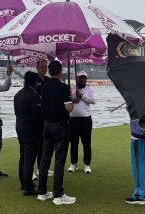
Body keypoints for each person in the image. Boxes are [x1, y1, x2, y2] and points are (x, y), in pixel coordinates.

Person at [37, 60, 76, 205]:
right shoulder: (64, 87)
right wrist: (72, 99)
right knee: (59, 160)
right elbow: (69, 108)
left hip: (47, 125)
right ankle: (58, 195)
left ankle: (42, 192)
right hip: (60, 125)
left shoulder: (44, 86)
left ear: (49, 71)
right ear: (60, 71)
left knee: (45, 159)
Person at [14, 71, 42, 196]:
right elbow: (37, 116)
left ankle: (23, 182)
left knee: (23, 155)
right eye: (37, 81)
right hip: (31, 129)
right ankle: (28, 187)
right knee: (29, 158)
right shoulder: (34, 95)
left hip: (20, 126)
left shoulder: (18, 94)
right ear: (34, 82)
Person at [68, 71, 97, 174]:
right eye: (80, 78)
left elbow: (94, 100)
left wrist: (82, 96)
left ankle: (87, 164)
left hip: (86, 119)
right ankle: (73, 163)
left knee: (86, 143)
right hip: (73, 119)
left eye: (84, 78)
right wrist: (73, 98)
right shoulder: (71, 88)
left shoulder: (90, 89)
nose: (82, 79)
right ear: (77, 78)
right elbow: (67, 100)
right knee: (74, 143)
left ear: (86, 79)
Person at [33, 59, 54, 181]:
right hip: (36, 118)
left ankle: (42, 168)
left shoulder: (48, 80)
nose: (44, 69)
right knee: (35, 145)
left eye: (45, 67)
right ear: (37, 67)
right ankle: (32, 170)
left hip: (46, 117)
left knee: (44, 145)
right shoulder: (33, 80)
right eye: (42, 67)